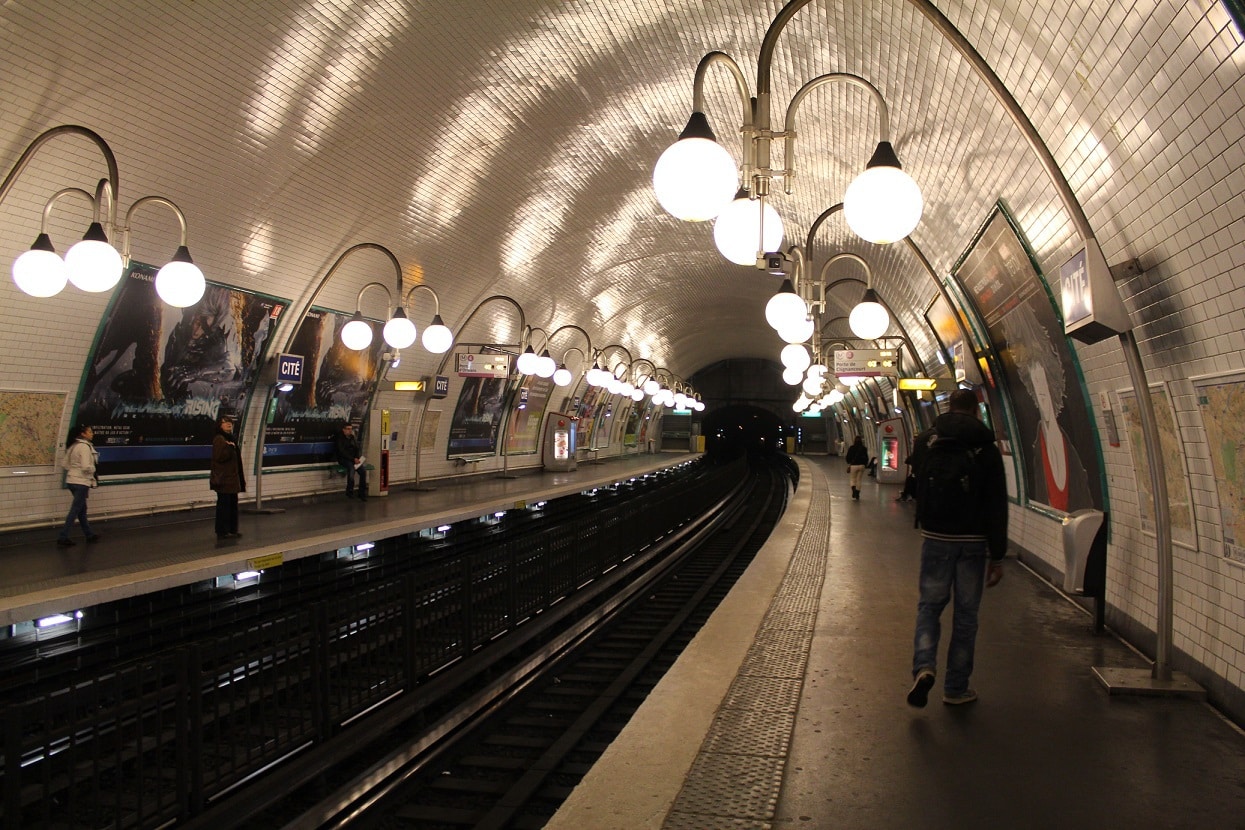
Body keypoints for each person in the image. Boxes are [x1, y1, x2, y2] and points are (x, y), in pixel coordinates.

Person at [906, 389, 1007, 707]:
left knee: (929, 608)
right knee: (966, 616)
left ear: (949, 407)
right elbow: (996, 503)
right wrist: (998, 554)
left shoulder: (927, 441)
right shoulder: (986, 448)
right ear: (977, 410)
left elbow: (918, 481)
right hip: (973, 543)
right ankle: (956, 687)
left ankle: (923, 667)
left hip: (936, 537)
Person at [57, 424, 100, 546]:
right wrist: (93, 469)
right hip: (81, 482)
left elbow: (64, 464)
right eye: (90, 432)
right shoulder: (85, 447)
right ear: (83, 434)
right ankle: (63, 537)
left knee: (81, 509)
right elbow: (86, 467)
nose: (92, 434)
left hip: (71, 480)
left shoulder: (73, 446)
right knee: (75, 510)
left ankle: (89, 534)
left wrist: (74, 469)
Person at [210, 416, 245, 539]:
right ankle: (223, 531)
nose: (229, 424)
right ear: (220, 425)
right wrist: (229, 448)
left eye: (230, 422)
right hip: (224, 481)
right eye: (226, 422)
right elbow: (220, 457)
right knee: (224, 507)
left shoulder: (230, 439)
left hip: (231, 480)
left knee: (232, 506)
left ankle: (232, 529)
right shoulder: (219, 439)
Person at [335, 423, 368, 500]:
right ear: (344, 430)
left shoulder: (352, 438)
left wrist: (357, 458)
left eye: (351, 429)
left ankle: (362, 492)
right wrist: (353, 459)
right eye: (348, 429)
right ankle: (350, 490)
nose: (350, 431)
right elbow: (341, 452)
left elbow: (357, 448)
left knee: (363, 471)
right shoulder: (339, 438)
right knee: (351, 469)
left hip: (354, 459)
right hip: (344, 459)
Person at [844, 435, 869, 500]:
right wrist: (865, 465)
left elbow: (848, 457)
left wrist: (849, 462)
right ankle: (857, 493)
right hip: (862, 466)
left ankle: (854, 490)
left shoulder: (851, 448)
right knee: (859, 480)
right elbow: (866, 458)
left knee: (853, 479)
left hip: (854, 465)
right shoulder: (864, 448)